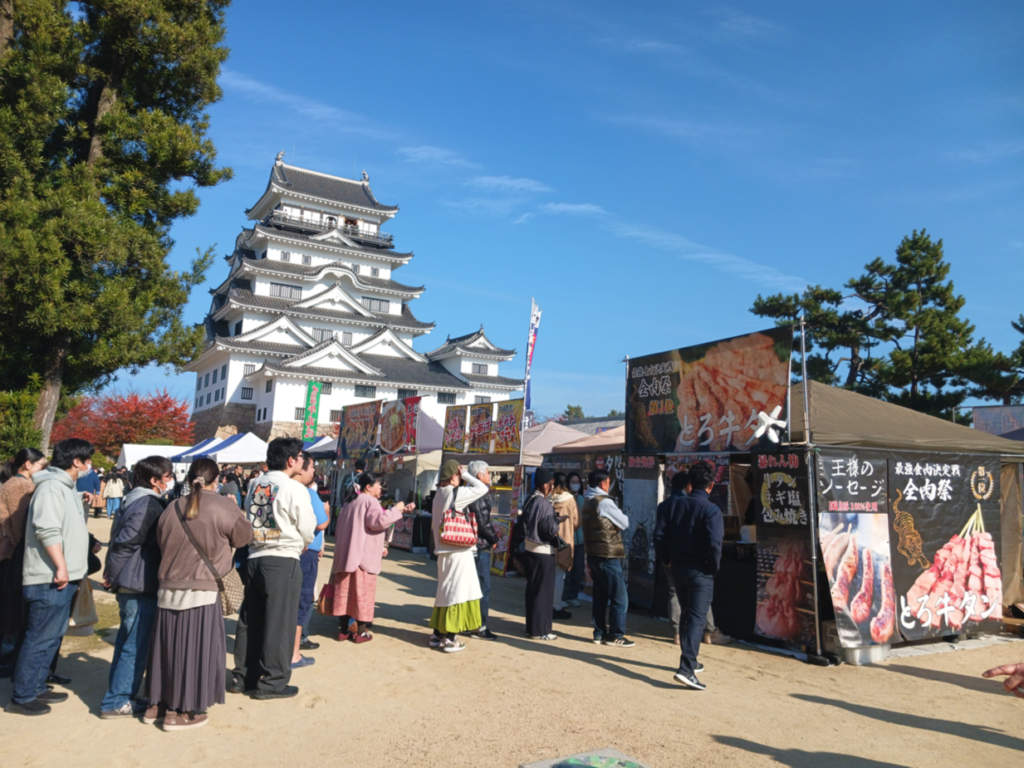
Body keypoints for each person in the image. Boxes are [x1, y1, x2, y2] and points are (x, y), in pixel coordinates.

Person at [145, 458, 252, 730]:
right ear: (217, 480)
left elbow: (161, 542)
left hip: (168, 588)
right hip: (202, 590)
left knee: (167, 650)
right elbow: (243, 538)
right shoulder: (223, 506)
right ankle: (181, 712)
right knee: (197, 651)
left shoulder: (171, 507)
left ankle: (157, 704)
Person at [5, 439, 93, 716]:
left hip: (60, 577)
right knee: (40, 637)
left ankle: (37, 684)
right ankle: (23, 695)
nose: (90, 465)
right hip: (48, 577)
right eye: (87, 460)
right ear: (76, 461)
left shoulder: (64, 488)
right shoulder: (52, 487)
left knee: (52, 636)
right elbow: (46, 529)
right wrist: (61, 566)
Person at [230, 437, 316, 700]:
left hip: (256, 555)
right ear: (291, 460)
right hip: (282, 558)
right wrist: (302, 542)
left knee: (250, 620)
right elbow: (307, 528)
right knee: (280, 622)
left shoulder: (257, 483)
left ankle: (243, 675)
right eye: (300, 457)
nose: (302, 462)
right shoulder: (293, 487)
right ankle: (273, 682)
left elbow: (255, 518)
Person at [98, 456, 174, 718]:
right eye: (167, 476)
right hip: (138, 583)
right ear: (155, 480)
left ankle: (122, 695)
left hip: (134, 581)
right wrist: (112, 574)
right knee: (135, 644)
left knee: (127, 642)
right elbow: (125, 543)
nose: (170, 480)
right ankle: (117, 700)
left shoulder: (135, 499)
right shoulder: (146, 504)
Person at [653, 459, 723, 691]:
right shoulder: (711, 510)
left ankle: (691, 660)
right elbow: (715, 543)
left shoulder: (669, 506)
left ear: (690, 484)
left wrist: (666, 558)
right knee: (695, 618)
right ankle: (686, 669)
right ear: (711, 485)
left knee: (687, 616)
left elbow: (659, 536)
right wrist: (713, 567)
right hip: (700, 570)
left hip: (677, 567)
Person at [328, 472, 412, 644]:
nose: (382, 488)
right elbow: (378, 522)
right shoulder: (370, 501)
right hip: (362, 558)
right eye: (379, 484)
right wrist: (397, 509)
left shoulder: (350, 501)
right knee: (362, 596)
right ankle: (361, 632)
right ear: (368, 486)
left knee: (346, 594)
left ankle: (344, 630)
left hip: (346, 555)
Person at [429, 460, 488, 653]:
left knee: (444, 592)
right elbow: (482, 488)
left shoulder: (438, 494)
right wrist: (466, 475)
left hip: (442, 550)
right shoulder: (456, 493)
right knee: (458, 593)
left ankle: (437, 634)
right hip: (457, 551)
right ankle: (451, 638)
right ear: (454, 475)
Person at [0, 448, 48, 673]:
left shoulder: (13, 483)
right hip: (15, 555)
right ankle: (10, 658)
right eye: (41, 464)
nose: (43, 469)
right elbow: (20, 527)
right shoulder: (20, 486)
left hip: (11, 554)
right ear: (28, 464)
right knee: (14, 612)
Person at [582, 469, 634, 648]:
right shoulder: (604, 502)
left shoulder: (587, 500)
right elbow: (625, 522)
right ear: (604, 483)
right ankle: (615, 635)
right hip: (608, 555)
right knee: (620, 597)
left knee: (600, 596)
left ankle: (599, 633)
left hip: (594, 554)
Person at [292, 453, 330, 665]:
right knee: (303, 598)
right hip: (306, 552)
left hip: (287, 552)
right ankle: (296, 649)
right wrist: (327, 512)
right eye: (312, 467)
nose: (314, 471)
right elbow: (320, 524)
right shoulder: (308, 494)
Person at [520, 468, 564, 641]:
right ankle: (541, 631)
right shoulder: (544, 504)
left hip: (530, 549)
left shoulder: (529, 499)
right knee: (543, 593)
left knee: (533, 589)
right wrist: (557, 521)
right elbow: (549, 530)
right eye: (552, 485)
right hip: (543, 551)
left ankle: (532, 628)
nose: (552, 488)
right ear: (546, 485)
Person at [466, 460, 499, 641]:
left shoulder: (469, 491)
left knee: (473, 587)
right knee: (482, 587)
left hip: (473, 545)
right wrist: (494, 539)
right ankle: (479, 626)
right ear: (479, 475)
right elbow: (482, 522)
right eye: (488, 472)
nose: (490, 476)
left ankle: (470, 623)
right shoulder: (478, 493)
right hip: (479, 546)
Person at [550, 472, 579, 621]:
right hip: (565, 540)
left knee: (550, 574)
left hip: (549, 540)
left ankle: (550, 603)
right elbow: (576, 523)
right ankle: (557, 605)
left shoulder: (548, 498)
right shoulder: (570, 500)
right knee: (560, 575)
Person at [560, 471, 586, 607]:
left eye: (577, 482)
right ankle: (564, 596)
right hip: (568, 539)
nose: (575, 484)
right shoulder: (565, 499)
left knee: (577, 569)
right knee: (567, 569)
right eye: (573, 482)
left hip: (580, 541)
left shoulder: (582, 499)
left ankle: (572, 596)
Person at [330, 458, 366, 537]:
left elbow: (342, 491)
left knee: (345, 523)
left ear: (355, 467)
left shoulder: (347, 476)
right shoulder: (365, 478)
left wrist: (343, 504)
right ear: (364, 468)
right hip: (358, 505)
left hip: (346, 503)